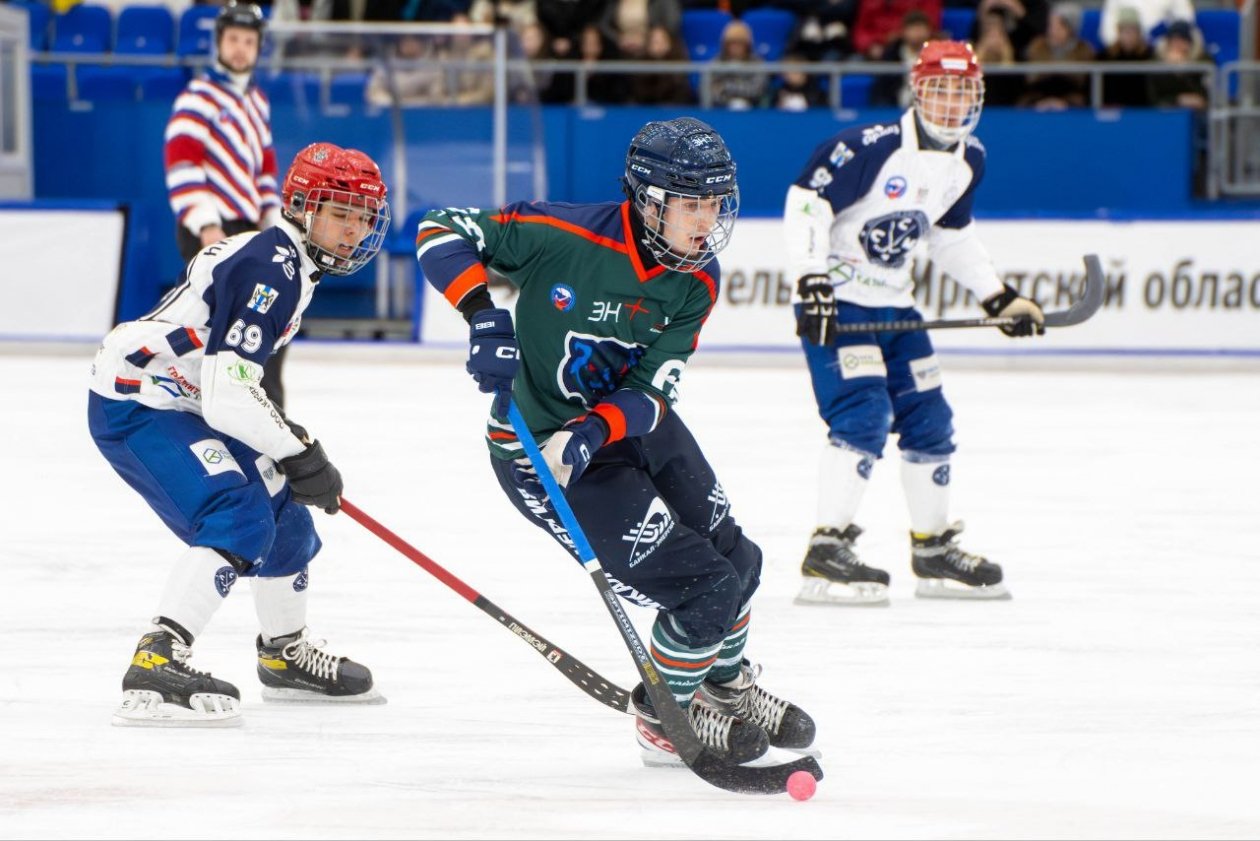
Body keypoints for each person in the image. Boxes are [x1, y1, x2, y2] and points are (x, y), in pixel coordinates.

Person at [415, 117, 817, 768]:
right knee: (704, 586)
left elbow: (654, 390)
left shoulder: (698, 280)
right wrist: (483, 314)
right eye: (691, 204)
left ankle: (724, 683)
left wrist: (595, 428)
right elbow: (440, 228)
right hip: (539, 453)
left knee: (739, 563)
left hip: (622, 429)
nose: (706, 221)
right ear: (649, 199)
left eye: (715, 203)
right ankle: (664, 717)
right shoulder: (565, 234)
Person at [89, 142, 393, 726]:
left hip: (185, 396)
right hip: (138, 401)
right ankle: (158, 656)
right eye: (340, 213)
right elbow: (230, 393)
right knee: (238, 508)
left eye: (362, 216)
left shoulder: (290, 259)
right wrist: (299, 450)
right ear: (302, 206)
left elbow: (228, 383)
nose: (353, 231)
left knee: (283, 503)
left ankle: (284, 656)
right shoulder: (270, 266)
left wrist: (289, 451)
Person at [783, 40, 1044, 607]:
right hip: (840, 307)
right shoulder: (868, 149)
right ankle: (826, 548)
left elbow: (948, 235)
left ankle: (931, 548)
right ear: (917, 90)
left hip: (898, 310)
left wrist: (997, 296)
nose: (951, 104)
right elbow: (808, 203)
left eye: (962, 91)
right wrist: (811, 281)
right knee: (863, 413)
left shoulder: (968, 158)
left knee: (930, 419)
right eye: (940, 90)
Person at [164, 3, 291, 411]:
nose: (240, 49)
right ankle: (213, 407)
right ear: (219, 42)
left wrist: (274, 220)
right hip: (211, 228)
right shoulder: (198, 96)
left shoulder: (257, 100)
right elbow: (182, 163)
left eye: (249, 41)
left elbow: (265, 168)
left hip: (249, 227)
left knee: (266, 316)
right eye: (233, 39)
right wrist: (205, 224)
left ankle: (264, 406)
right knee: (221, 322)